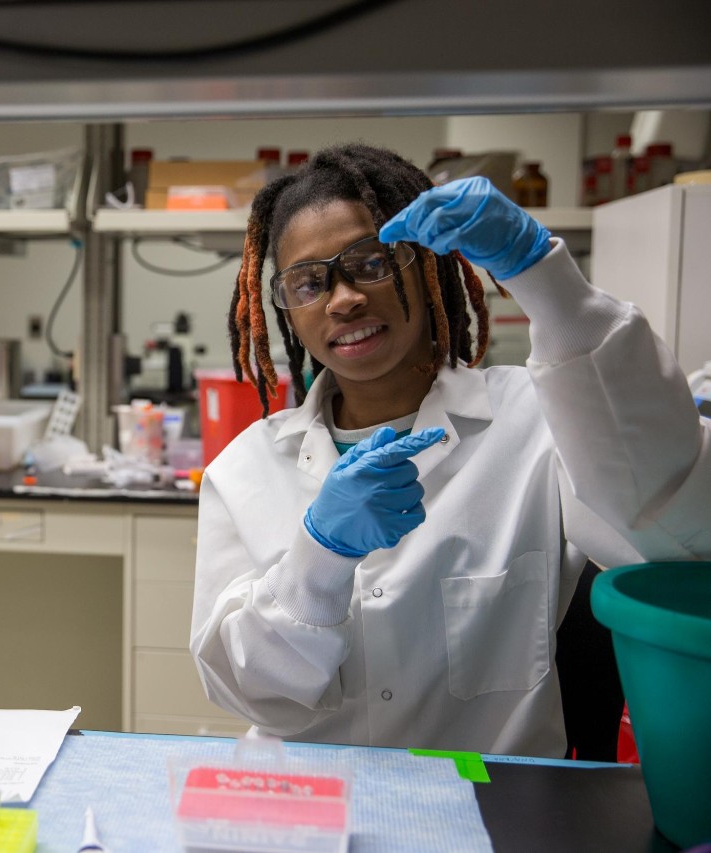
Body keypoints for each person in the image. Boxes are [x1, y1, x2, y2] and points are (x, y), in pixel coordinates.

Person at [190, 143, 710, 757]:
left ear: (427, 264)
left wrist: (545, 280)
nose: (343, 298)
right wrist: (319, 560)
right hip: (314, 813)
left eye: (372, 262)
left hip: (493, 816)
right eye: (308, 282)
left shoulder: (534, 422)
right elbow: (250, 693)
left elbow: (678, 534)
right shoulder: (245, 471)